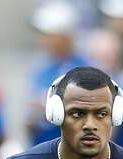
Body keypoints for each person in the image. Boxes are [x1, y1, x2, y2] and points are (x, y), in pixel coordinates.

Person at [27, 0, 88, 146]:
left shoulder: (85, 68)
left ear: (64, 37)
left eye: (48, 35)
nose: (43, 40)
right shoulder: (41, 67)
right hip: (42, 146)